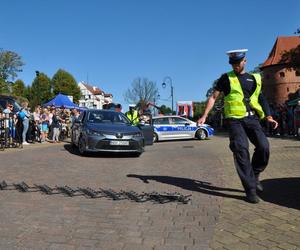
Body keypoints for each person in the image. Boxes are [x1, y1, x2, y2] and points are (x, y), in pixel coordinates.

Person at [198, 49, 278, 203]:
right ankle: (250, 189)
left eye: (238, 62)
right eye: (233, 63)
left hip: (252, 119)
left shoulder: (254, 78)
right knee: (241, 149)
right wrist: (204, 115)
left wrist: (268, 116)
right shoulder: (226, 78)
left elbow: (261, 98)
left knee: (264, 147)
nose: (235, 66)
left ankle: (254, 175)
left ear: (245, 61)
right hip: (234, 121)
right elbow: (213, 97)